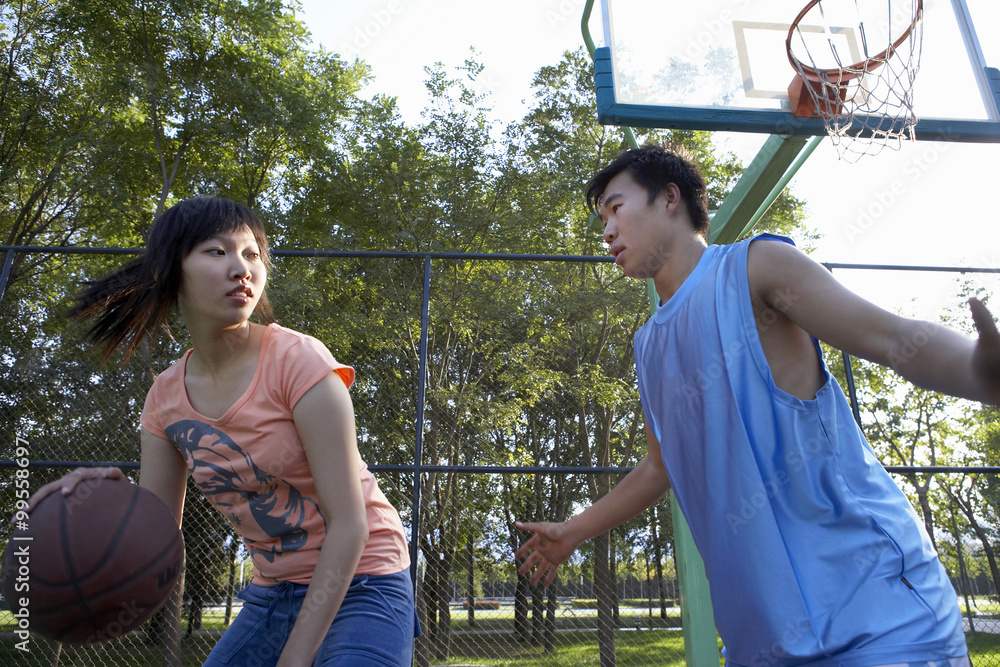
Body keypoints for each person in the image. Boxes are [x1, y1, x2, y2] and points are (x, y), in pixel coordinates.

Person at [515, 144, 1000, 666]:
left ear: (669, 199)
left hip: (878, 621)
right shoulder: (648, 343)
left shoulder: (756, 268)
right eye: (602, 218)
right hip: (762, 643)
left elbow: (892, 338)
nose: (606, 230)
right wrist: (573, 530)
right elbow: (661, 466)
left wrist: (977, 371)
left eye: (616, 208)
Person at [25, 197, 418, 666]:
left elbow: (350, 525)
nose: (241, 268)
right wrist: (102, 500)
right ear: (174, 270)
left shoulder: (299, 361)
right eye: (217, 252)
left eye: (251, 254)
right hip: (274, 594)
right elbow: (157, 538)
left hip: (364, 579)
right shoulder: (164, 400)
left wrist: (295, 657)